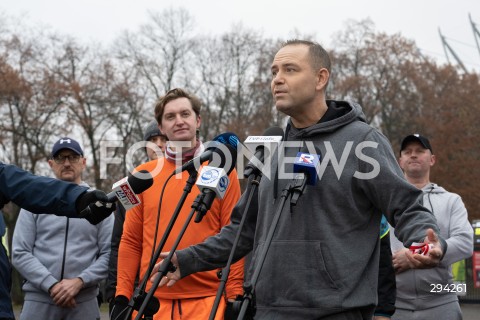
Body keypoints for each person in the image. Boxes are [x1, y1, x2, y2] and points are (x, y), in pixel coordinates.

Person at [153, 40, 447, 320]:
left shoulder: (363, 143)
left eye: (290, 70)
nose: (277, 80)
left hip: (335, 311)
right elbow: (241, 231)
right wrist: (188, 259)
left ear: (321, 78)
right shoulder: (270, 148)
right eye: (274, 72)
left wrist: (426, 240)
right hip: (264, 308)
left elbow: (406, 206)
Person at [112, 88, 244, 320]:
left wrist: (234, 295)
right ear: (161, 128)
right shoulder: (142, 174)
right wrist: (122, 296)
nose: (179, 121)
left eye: (185, 114)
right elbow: (130, 240)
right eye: (170, 117)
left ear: (198, 120)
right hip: (151, 304)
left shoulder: (223, 170)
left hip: (208, 302)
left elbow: (235, 235)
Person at [11, 137, 114, 320]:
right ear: (51, 163)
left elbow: (110, 254)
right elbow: (20, 252)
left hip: (83, 303)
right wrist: (51, 285)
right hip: (39, 302)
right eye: (60, 158)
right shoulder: (34, 201)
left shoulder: (99, 204)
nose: (67, 163)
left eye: (73, 157)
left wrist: (80, 282)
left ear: (83, 162)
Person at [388, 134, 473, 320]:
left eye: (420, 151)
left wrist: (412, 255)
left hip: (442, 300)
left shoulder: (452, 200)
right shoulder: (383, 202)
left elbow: (465, 242)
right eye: (408, 152)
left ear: (432, 159)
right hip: (393, 303)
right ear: (399, 161)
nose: (413, 155)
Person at [105, 119, 168, 312]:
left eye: (163, 139)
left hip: (179, 283)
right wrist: (116, 291)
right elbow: (119, 241)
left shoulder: (190, 179)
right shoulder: (131, 185)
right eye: (152, 140)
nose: (158, 144)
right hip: (140, 290)